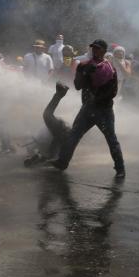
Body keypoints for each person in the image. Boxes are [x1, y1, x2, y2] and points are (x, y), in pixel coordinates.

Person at [51, 39, 125, 178]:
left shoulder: (110, 68)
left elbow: (113, 92)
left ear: (104, 50)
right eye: (93, 48)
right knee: (74, 135)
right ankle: (62, 162)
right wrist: (85, 73)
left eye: (98, 48)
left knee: (111, 139)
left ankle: (120, 169)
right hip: (87, 109)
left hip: (104, 110)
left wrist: (97, 99)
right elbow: (78, 86)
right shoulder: (84, 65)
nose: (94, 50)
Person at [24, 83, 71, 166]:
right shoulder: (47, 148)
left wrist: (34, 158)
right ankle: (60, 93)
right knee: (47, 115)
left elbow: (44, 152)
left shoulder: (40, 141)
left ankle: (60, 93)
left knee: (47, 115)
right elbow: (47, 154)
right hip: (60, 133)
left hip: (60, 132)